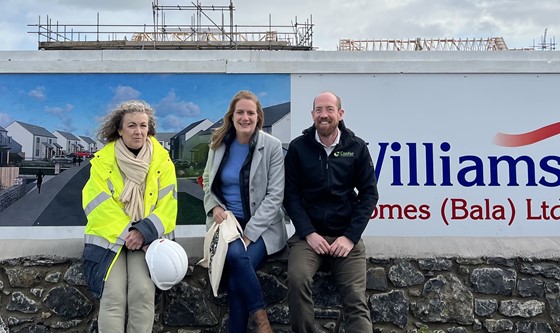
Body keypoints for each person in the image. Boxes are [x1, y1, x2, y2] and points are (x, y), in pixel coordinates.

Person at [283, 91, 379, 332]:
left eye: (329, 109)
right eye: (318, 110)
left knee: (355, 297)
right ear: (312, 114)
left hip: (345, 236)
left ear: (340, 113)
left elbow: (369, 195)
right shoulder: (298, 148)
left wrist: (350, 237)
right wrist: (308, 233)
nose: (323, 115)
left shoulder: (356, 147)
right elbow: (291, 196)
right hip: (308, 238)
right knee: (297, 280)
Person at [81, 100, 178, 333]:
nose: (138, 131)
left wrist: (143, 232)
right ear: (119, 129)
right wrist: (129, 232)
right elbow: (97, 205)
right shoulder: (102, 162)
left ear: (149, 129)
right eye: (132, 125)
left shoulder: (163, 161)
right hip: (111, 240)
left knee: (143, 292)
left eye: (143, 126)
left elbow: (169, 205)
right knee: (112, 296)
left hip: (147, 242)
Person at [202, 90, 287, 333]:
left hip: (262, 227)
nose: (245, 117)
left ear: (259, 117)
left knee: (239, 268)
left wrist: (250, 233)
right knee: (239, 261)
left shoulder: (272, 146)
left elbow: (275, 195)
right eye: (240, 112)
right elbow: (207, 180)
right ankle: (262, 320)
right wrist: (215, 206)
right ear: (232, 115)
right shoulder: (218, 143)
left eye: (251, 113)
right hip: (227, 224)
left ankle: (255, 324)